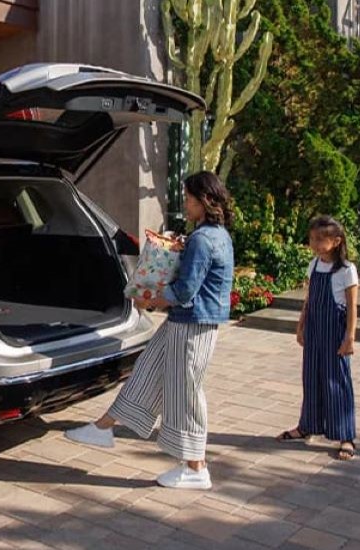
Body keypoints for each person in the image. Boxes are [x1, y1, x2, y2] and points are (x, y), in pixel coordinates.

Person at [64, 171, 235, 490]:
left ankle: (195, 467)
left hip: (193, 323)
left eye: (188, 199)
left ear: (205, 200)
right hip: (190, 322)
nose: (185, 204)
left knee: (185, 392)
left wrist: (152, 298)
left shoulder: (203, 238)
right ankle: (104, 427)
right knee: (147, 369)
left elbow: (185, 290)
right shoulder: (216, 233)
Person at [276, 215, 359, 460]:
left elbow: (353, 307)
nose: (314, 243)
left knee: (337, 381)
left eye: (320, 239)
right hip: (314, 327)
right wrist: (301, 325)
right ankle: (306, 426)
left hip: (335, 329)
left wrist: (350, 337)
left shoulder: (347, 270)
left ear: (336, 241)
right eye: (312, 238)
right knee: (311, 377)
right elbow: (309, 298)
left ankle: (346, 436)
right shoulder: (314, 265)